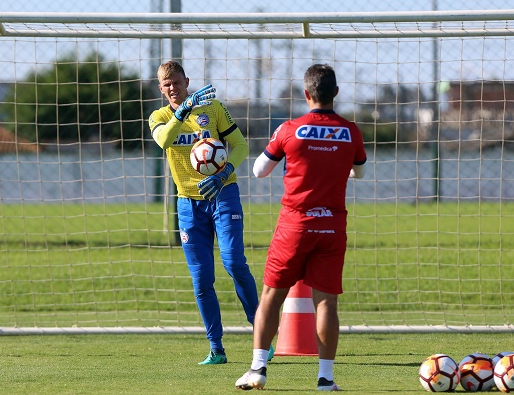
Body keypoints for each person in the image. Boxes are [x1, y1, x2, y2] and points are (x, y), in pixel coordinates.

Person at [235, 64, 367, 391]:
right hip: (332, 226)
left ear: (306, 94)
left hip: (295, 224)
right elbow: (359, 172)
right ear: (335, 93)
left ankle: (258, 369)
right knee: (326, 303)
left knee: (270, 296)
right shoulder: (351, 131)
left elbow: (258, 171)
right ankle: (325, 378)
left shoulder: (289, 129)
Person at [148, 60, 272, 365]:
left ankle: (262, 336)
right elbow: (164, 141)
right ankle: (216, 348)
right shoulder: (160, 116)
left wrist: (223, 171)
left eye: (177, 82)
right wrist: (182, 112)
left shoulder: (213, 109)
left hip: (223, 193)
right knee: (201, 278)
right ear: (160, 88)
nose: (173, 89)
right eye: (167, 85)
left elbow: (240, 145)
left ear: (187, 81)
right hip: (188, 204)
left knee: (234, 262)